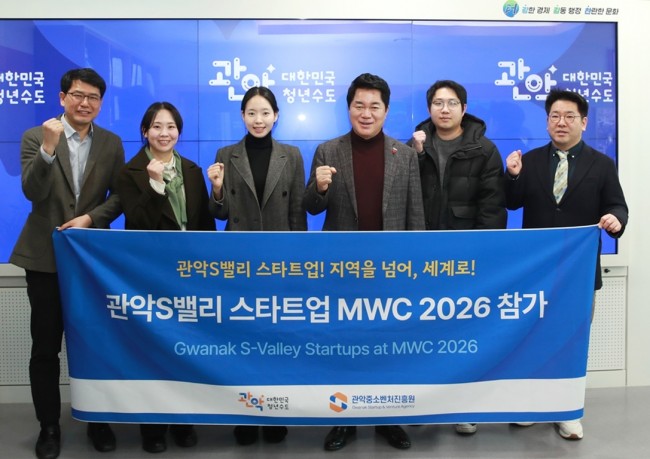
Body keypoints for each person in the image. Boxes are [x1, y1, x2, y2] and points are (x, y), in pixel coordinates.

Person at [303, 73, 425, 451]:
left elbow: (415, 216)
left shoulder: (405, 155)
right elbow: (311, 207)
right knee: (345, 345)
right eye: (359, 105)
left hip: (390, 272)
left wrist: (414, 269)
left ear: (386, 111)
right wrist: (319, 187)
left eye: (374, 106)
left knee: (389, 346)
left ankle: (388, 418)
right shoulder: (328, 150)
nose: (366, 113)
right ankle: (345, 420)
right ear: (349, 108)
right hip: (342, 270)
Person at [9, 68, 124, 459]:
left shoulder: (110, 143)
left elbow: (119, 197)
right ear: (62, 98)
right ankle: (49, 427)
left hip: (92, 258)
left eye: (93, 97)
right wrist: (47, 149)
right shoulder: (36, 136)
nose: (84, 103)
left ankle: (98, 420)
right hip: (44, 256)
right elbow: (32, 191)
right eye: (77, 95)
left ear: (100, 103)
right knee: (45, 346)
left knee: (95, 343)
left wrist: (91, 218)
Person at [504, 88, 628, 441]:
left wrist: (616, 220)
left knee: (572, 341)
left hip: (578, 273)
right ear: (547, 122)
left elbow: (618, 205)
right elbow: (511, 203)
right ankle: (532, 406)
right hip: (536, 274)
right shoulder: (529, 161)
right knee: (533, 339)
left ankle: (567, 411)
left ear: (583, 122)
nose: (561, 122)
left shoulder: (601, 164)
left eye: (569, 116)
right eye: (555, 116)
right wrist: (512, 175)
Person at [207, 86, 306, 445]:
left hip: (280, 261)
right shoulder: (226, 154)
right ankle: (246, 415)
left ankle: (276, 412)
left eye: (265, 113)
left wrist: (297, 262)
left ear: (276, 116)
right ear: (242, 116)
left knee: (278, 339)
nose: (258, 120)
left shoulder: (291, 155)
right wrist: (217, 189)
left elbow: (297, 212)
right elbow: (219, 213)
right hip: (241, 261)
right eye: (251, 113)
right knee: (243, 341)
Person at [408, 79, 507, 436]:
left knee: (465, 333)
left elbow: (492, 209)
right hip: (422, 259)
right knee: (423, 332)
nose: (444, 109)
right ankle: (423, 403)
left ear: (464, 109)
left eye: (452, 103)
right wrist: (416, 155)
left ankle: (465, 406)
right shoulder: (413, 147)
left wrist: (481, 259)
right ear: (429, 109)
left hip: (465, 260)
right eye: (438, 103)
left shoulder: (485, 150)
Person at [117, 101, 215, 453]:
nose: (164, 133)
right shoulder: (130, 171)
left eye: (171, 126)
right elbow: (137, 223)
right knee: (153, 348)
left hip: (188, 275)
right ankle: (153, 427)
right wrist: (155, 185)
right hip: (150, 274)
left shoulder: (191, 170)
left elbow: (204, 224)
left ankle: (184, 420)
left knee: (186, 349)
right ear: (145, 131)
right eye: (157, 126)